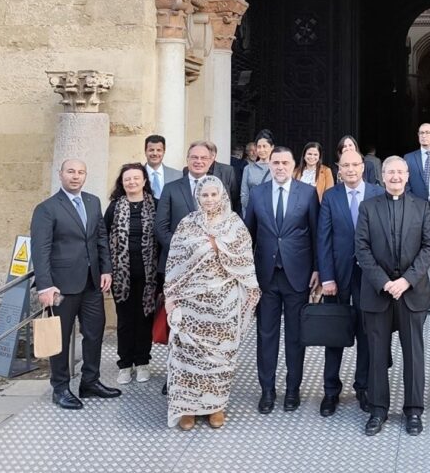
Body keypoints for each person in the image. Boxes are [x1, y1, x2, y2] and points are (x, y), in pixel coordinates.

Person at [164, 175, 261, 430]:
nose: (209, 199)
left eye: (213, 194)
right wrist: (171, 297)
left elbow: (244, 259)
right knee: (187, 356)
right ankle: (187, 408)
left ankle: (215, 406)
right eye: (204, 195)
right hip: (191, 303)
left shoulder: (234, 224)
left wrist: (217, 244)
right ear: (198, 196)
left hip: (223, 304)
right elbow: (174, 262)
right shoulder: (187, 224)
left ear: (222, 196)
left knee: (219, 358)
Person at [355, 156, 430, 437]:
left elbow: (428, 248)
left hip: (412, 291)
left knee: (414, 354)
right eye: (391, 172)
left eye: (401, 172)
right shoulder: (368, 208)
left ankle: (413, 410)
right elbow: (362, 250)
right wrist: (385, 283)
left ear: (408, 175)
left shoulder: (422, 207)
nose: (396, 176)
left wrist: (405, 281)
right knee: (377, 354)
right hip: (378, 292)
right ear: (382, 176)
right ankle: (378, 410)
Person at [31, 159, 121, 409]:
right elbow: (40, 249)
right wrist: (45, 285)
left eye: (81, 172)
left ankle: (90, 381)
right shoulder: (47, 209)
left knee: (94, 332)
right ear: (60, 175)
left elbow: (100, 237)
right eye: (71, 171)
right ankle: (60, 387)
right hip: (61, 286)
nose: (76, 176)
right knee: (59, 338)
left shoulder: (92, 202)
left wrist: (106, 269)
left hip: (92, 283)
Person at [243, 145, 318, 413]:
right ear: (269, 164)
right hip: (266, 276)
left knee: (296, 337)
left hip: (297, 276)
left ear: (293, 165)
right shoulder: (258, 193)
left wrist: (317, 270)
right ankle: (267, 390)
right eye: (276, 163)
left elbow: (316, 234)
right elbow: (247, 235)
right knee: (266, 335)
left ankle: (292, 390)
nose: (280, 167)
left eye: (285, 163)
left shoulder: (307, 193)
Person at [317, 147, 385, 416]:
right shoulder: (330, 197)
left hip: (370, 277)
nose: (351, 170)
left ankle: (363, 387)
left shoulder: (378, 194)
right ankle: (331, 390)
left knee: (367, 334)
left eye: (355, 165)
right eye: (345, 166)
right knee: (334, 334)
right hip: (339, 277)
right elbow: (323, 239)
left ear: (363, 167)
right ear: (338, 169)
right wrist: (327, 277)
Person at [104, 162, 160, 385]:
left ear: (145, 181)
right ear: (122, 182)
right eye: (127, 179)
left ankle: (143, 362)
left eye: (136, 178)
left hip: (149, 276)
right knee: (125, 321)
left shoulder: (155, 205)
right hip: (121, 276)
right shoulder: (114, 207)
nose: (132, 182)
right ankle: (125, 365)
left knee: (145, 320)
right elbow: (103, 238)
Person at [155, 141, 216, 274]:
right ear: (187, 159)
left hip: (209, 263)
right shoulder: (170, 188)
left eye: (203, 158)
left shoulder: (219, 189)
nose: (198, 161)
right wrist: (182, 249)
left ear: (211, 161)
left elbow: (223, 226)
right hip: (176, 262)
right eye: (194, 157)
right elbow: (160, 227)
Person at [239, 130, 274, 211]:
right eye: (259, 147)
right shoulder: (248, 168)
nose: (261, 150)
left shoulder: (277, 168)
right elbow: (244, 194)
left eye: (264, 146)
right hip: (253, 212)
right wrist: (247, 213)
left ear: (272, 147)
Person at [203, 142, 240, 214]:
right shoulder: (188, 170)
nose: (199, 159)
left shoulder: (227, 170)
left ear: (213, 156)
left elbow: (234, 196)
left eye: (203, 156)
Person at [143, 134, 182, 200]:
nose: (155, 153)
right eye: (151, 150)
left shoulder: (178, 176)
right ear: (145, 152)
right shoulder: (137, 175)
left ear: (164, 152)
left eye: (159, 150)